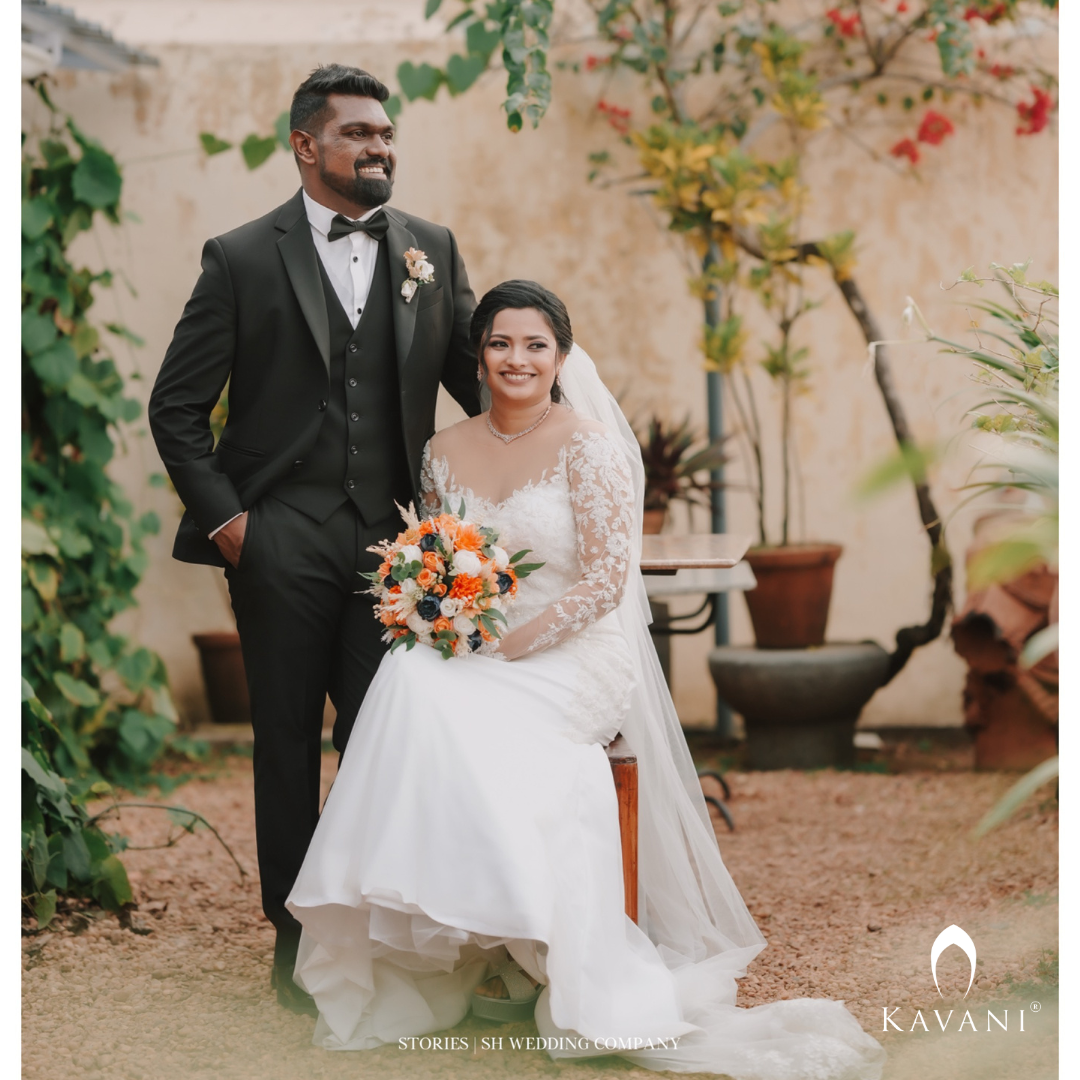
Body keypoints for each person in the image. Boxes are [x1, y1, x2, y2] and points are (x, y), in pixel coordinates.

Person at [285, 280, 887, 1078]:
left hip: (574, 651)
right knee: (407, 675)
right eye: (501, 343)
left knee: (445, 701)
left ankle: (533, 938)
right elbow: (436, 555)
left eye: (536, 345)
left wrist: (514, 642)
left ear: (561, 357)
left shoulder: (588, 444)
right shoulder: (443, 451)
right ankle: (441, 928)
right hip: (478, 644)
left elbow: (606, 581)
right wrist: (440, 618)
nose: (517, 359)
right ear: (479, 355)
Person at [147, 64, 480, 1015]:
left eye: (386, 134)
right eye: (358, 134)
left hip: (396, 547)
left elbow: (478, 383)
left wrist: (555, 449)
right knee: (286, 742)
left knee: (383, 744)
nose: (380, 148)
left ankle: (378, 932)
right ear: (306, 145)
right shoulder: (242, 258)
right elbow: (176, 409)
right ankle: (294, 947)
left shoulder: (432, 249)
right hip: (280, 538)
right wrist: (235, 527)